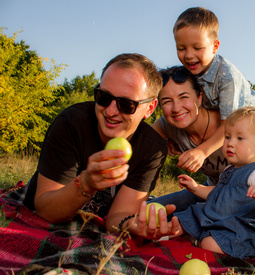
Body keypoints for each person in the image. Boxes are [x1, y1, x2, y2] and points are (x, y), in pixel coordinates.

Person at [23, 53, 180, 239]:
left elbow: (116, 218)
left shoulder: (152, 149)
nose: (111, 112)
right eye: (104, 97)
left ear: (150, 108)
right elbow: (45, 210)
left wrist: (132, 224)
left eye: (126, 104)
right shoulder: (71, 124)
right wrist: (86, 184)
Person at [172, 7, 255, 174]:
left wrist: (202, 151)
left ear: (215, 46)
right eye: (181, 48)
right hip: (228, 118)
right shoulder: (188, 72)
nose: (189, 55)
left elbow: (228, 125)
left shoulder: (227, 76)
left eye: (197, 48)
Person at [172, 107, 255, 259]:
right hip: (217, 221)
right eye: (227, 137)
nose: (230, 143)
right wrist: (196, 188)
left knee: (210, 244)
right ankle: (173, 235)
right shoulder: (229, 169)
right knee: (183, 218)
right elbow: (218, 193)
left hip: (238, 232)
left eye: (240, 138)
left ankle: (202, 245)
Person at [150, 66, 227, 212]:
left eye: (184, 97)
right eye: (166, 101)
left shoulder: (227, 122)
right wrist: (161, 144)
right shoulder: (167, 125)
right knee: (152, 210)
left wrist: (202, 151)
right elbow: (138, 143)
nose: (176, 108)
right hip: (206, 190)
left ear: (200, 97)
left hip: (245, 195)